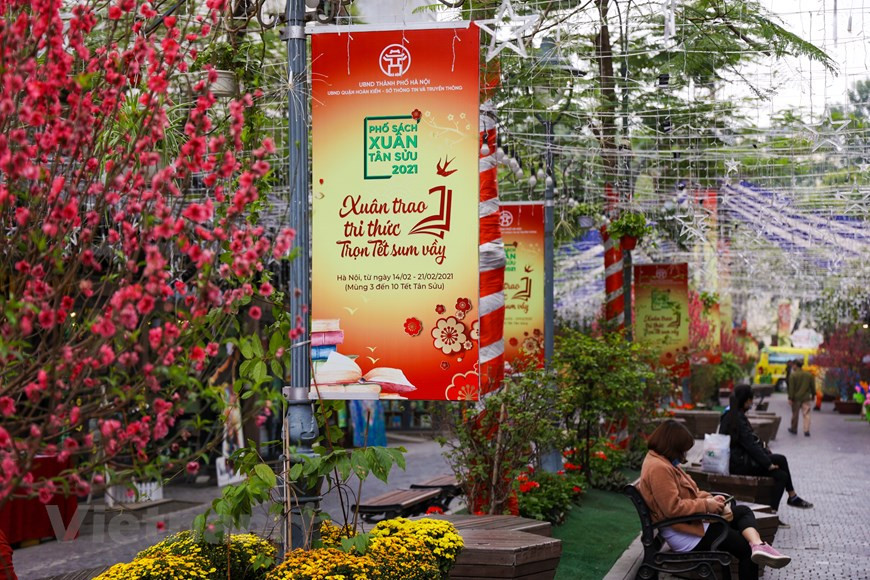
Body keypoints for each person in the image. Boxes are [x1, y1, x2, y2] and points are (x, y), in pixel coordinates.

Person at [638, 420, 791, 579]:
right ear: (672, 446)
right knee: (745, 551)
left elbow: (693, 492)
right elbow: (673, 508)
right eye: (682, 451)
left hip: (691, 524)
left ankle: (758, 545)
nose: (684, 455)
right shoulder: (659, 468)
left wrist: (713, 500)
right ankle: (755, 547)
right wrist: (707, 505)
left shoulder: (663, 462)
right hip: (686, 534)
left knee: (742, 511)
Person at [721, 384, 813, 515]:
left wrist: (766, 456)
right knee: (780, 459)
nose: (752, 403)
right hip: (739, 464)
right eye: (750, 400)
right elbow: (750, 445)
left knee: (782, 476)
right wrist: (768, 464)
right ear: (745, 400)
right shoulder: (736, 418)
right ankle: (792, 497)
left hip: (740, 460)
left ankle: (772, 511)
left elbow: (750, 443)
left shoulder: (732, 414)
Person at [787, 360, 814, 436]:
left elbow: (791, 388)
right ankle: (806, 430)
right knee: (806, 414)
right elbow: (812, 386)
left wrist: (790, 398)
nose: (792, 367)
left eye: (793, 365)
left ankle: (794, 429)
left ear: (796, 365)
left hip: (796, 398)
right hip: (806, 398)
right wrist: (813, 394)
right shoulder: (808, 375)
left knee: (795, 414)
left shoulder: (793, 375)